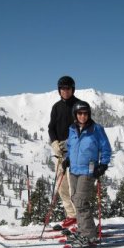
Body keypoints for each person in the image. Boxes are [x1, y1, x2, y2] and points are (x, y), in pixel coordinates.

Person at [62, 100, 112, 247]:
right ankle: (83, 230)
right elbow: (71, 147)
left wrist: (103, 165)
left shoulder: (96, 129)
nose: (83, 116)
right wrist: (67, 160)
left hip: (88, 171)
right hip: (74, 170)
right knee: (75, 198)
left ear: (89, 114)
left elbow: (106, 149)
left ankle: (89, 235)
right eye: (80, 113)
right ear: (75, 115)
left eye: (85, 113)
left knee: (81, 201)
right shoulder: (72, 129)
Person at [48, 76, 80, 228]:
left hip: (76, 150)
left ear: (72, 89)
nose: (65, 91)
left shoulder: (79, 106)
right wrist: (54, 142)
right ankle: (71, 215)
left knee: (75, 185)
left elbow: (84, 128)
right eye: (62, 88)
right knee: (62, 185)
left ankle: (80, 217)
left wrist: (72, 143)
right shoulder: (56, 107)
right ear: (59, 90)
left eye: (68, 88)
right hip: (60, 150)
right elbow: (51, 127)